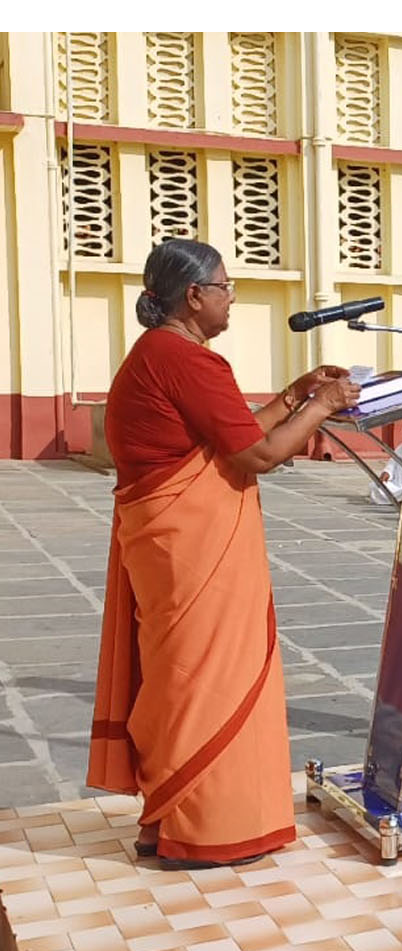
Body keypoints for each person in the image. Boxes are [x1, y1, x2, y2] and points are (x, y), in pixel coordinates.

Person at [90, 239, 360, 868]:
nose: (231, 297)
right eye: (225, 286)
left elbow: (234, 432)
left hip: (170, 541)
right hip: (191, 546)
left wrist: (295, 396)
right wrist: (325, 405)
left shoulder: (158, 354)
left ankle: (166, 818)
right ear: (194, 296)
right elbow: (258, 455)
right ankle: (204, 828)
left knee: (179, 675)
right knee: (204, 676)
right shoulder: (185, 360)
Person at [370, 422, 402, 506]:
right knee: (375, 486)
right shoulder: (401, 447)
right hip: (397, 485)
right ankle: (399, 499)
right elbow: (392, 462)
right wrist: (387, 472)